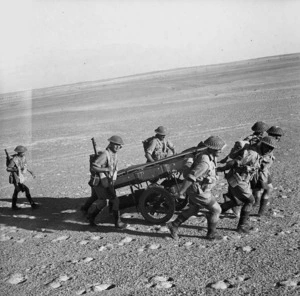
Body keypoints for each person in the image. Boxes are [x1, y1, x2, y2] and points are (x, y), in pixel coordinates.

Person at [166, 136, 226, 240]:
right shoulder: (204, 163)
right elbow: (190, 177)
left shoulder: (210, 155)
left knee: (193, 209)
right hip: (199, 191)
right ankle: (211, 234)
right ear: (211, 148)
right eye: (218, 149)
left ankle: (174, 225)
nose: (221, 151)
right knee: (216, 210)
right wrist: (181, 192)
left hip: (199, 189)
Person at [217, 142, 261, 234]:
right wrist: (221, 169)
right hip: (240, 181)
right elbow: (234, 162)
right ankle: (242, 226)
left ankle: (217, 210)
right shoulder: (252, 153)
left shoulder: (253, 151)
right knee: (250, 201)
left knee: (237, 201)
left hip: (237, 179)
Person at [86, 135, 128, 229]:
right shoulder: (105, 154)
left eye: (119, 145)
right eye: (116, 145)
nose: (118, 147)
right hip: (101, 182)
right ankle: (117, 222)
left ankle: (91, 218)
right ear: (111, 144)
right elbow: (94, 166)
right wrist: (106, 169)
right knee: (110, 201)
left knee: (107, 201)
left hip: (108, 181)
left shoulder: (114, 154)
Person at [251, 136, 277, 216]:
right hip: (256, 175)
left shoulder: (269, 150)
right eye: (268, 147)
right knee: (258, 190)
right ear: (262, 145)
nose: (269, 150)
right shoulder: (253, 153)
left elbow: (268, 161)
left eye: (271, 148)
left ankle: (260, 210)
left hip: (264, 173)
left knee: (268, 189)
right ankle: (259, 209)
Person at [6, 145, 38, 210]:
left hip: (20, 177)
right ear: (19, 152)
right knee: (26, 190)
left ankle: (13, 206)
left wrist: (31, 172)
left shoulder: (23, 157)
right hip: (16, 178)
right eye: (23, 152)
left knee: (16, 191)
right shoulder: (14, 160)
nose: (24, 153)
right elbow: (8, 168)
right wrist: (15, 169)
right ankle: (32, 204)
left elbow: (26, 165)